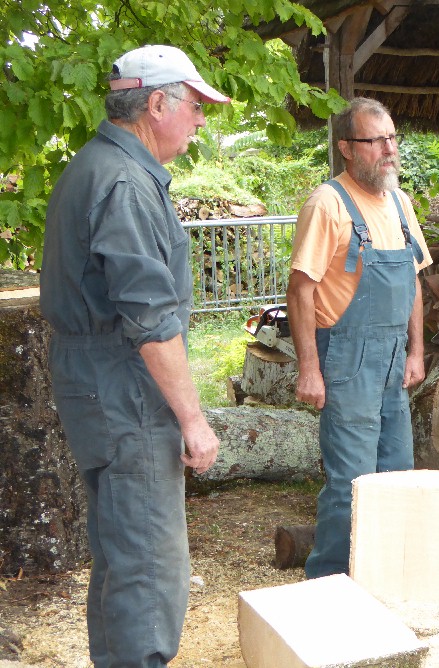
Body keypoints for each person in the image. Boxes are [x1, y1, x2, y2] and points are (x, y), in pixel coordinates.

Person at [39, 45, 228, 667]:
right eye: (195, 104)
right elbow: (150, 321)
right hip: (124, 383)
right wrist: (193, 421)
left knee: (121, 551)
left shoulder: (98, 166)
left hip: (98, 377)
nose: (201, 118)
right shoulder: (124, 182)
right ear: (157, 105)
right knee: (148, 560)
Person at [286, 97, 433, 579]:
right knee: (351, 482)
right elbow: (300, 290)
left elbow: (413, 281)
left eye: (392, 138)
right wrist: (309, 369)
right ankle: (329, 581)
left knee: (396, 472)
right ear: (347, 148)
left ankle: (383, 578)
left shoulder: (400, 202)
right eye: (376, 141)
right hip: (347, 359)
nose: (389, 149)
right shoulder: (328, 204)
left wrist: (416, 351)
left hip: (393, 357)